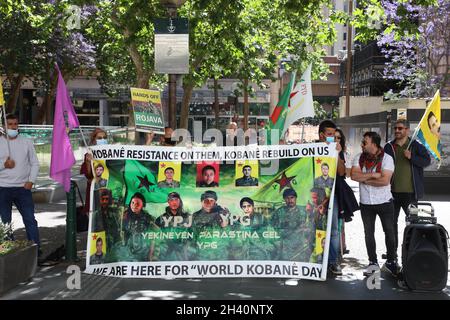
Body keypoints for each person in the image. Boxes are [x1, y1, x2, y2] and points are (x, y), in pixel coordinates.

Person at [351, 131, 400, 277]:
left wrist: (364, 179)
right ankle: (373, 263)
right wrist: (373, 175)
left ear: (374, 143)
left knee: (390, 233)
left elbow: (385, 181)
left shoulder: (387, 159)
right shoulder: (358, 158)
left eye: (365, 142)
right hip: (366, 203)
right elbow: (354, 176)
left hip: (384, 202)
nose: (362, 144)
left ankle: (391, 262)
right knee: (368, 234)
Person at [384, 119, 431, 256]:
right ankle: (391, 254)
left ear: (407, 130)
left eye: (400, 128)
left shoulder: (415, 145)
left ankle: (412, 253)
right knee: (390, 226)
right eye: (395, 128)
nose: (397, 131)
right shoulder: (389, 146)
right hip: (391, 193)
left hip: (411, 194)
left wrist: (412, 157)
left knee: (414, 224)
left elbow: (426, 161)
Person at [0, 114, 40, 253]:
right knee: (5, 223)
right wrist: (4, 165)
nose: (12, 127)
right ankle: (8, 251)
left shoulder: (26, 142)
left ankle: (35, 250)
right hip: (3, 188)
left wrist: (31, 181)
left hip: (23, 188)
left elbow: (34, 163)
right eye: (9, 124)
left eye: (15, 124)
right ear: (4, 126)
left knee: (30, 220)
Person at [316, 120, 345, 275]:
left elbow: (341, 172)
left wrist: (338, 153)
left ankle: (333, 262)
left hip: (332, 198)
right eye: (329, 135)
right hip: (315, 199)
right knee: (315, 228)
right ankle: (317, 260)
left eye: (334, 135)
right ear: (321, 135)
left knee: (333, 230)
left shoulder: (336, 150)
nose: (333, 138)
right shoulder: (311, 148)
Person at [270, 188, 315, 262]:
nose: (290, 200)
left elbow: (312, 226)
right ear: (284, 199)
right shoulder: (279, 212)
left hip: (301, 247)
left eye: (292, 198)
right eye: (287, 198)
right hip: (285, 248)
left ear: (296, 198)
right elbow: (272, 228)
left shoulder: (304, 211)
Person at [334, 128, 359, 257]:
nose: (336, 140)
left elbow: (343, 173)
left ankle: (340, 247)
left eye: (339, 138)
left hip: (339, 190)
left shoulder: (342, 154)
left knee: (339, 220)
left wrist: (338, 154)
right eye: (334, 137)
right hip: (325, 190)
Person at [155, 192, 194, 260]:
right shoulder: (160, 219)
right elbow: (155, 237)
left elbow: (193, 234)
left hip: (184, 253)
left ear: (180, 201)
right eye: (171, 200)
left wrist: (186, 247)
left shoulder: (188, 217)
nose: (174, 202)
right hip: (165, 254)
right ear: (168, 202)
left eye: (176, 200)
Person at [122, 192, 159, 261]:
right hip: (128, 252)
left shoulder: (148, 218)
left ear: (143, 205)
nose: (134, 205)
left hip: (143, 252)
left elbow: (156, 235)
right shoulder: (124, 216)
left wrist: (151, 255)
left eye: (137, 204)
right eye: (132, 203)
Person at [80, 128, 108, 214]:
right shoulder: (89, 155)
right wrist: (89, 162)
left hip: (107, 191)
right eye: (99, 138)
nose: (102, 140)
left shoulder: (112, 154)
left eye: (104, 137)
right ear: (94, 140)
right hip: (94, 193)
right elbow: (88, 176)